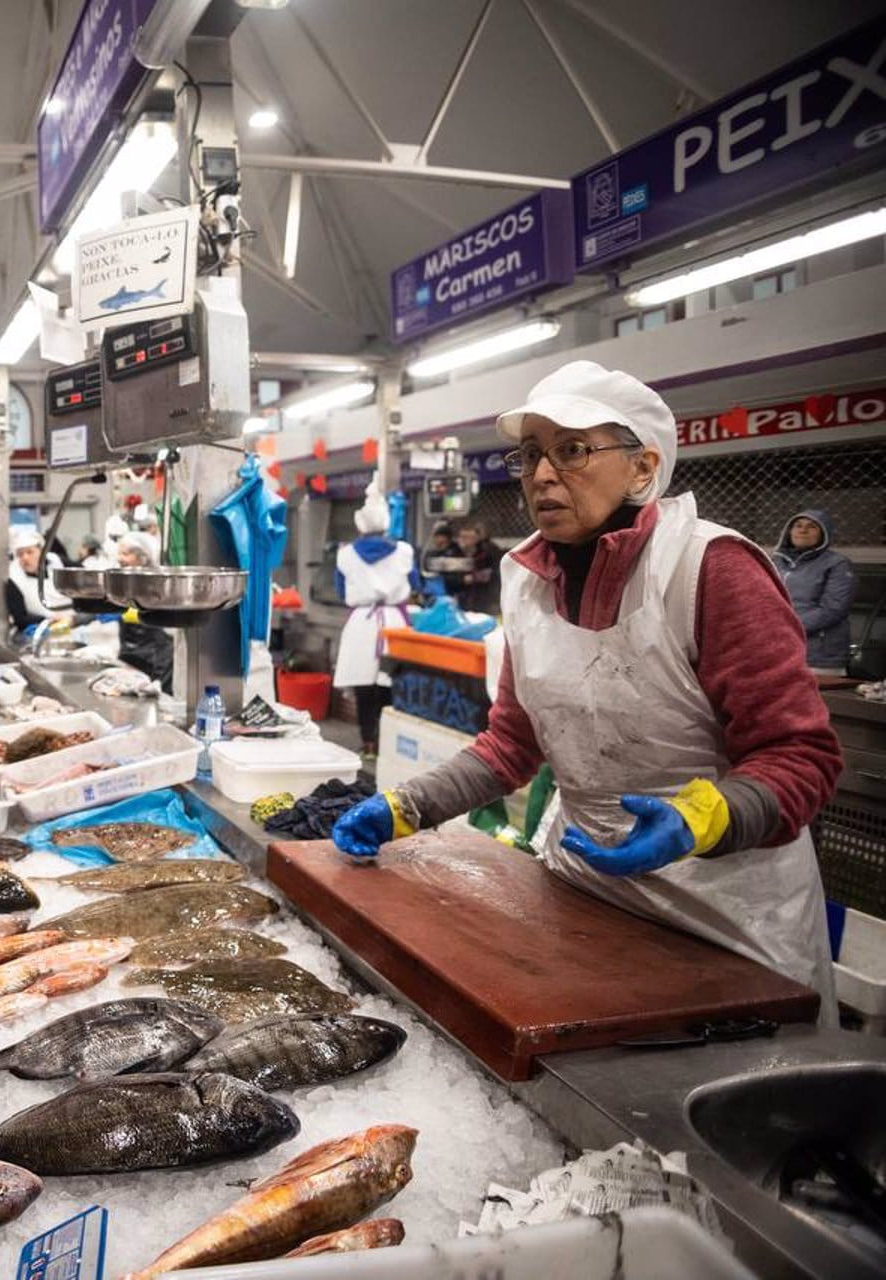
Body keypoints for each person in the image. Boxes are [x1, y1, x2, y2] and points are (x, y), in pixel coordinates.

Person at [333, 361, 843, 1013]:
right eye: (529, 456)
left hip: (726, 920)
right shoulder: (528, 583)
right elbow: (512, 745)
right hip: (580, 895)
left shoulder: (710, 570)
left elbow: (803, 758)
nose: (542, 475)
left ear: (641, 467)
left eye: (572, 451)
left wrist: (701, 818)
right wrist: (407, 805)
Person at [332, 488, 419, 757]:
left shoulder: (345, 554)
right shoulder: (404, 551)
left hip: (362, 622)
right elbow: (416, 583)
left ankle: (368, 744)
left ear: (360, 524)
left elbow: (339, 588)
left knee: (363, 687)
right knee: (390, 684)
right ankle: (388, 742)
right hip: (394, 623)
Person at [774, 509, 855, 676]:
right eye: (798, 525)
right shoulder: (777, 562)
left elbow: (833, 609)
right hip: (780, 650)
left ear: (824, 534)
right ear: (789, 531)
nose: (803, 530)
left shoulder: (837, 564)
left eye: (812, 527)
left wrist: (786, 627)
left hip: (819, 656)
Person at [113, 531, 175, 691]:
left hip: (156, 661)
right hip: (130, 658)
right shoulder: (124, 582)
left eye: (125, 554)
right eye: (119, 553)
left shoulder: (157, 582)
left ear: (143, 557)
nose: (120, 558)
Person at [5, 526, 72, 631]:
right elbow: (20, 618)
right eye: (20, 554)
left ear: (42, 552)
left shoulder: (57, 561)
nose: (25, 558)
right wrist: (48, 620)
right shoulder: (14, 579)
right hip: (47, 629)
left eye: (29, 552)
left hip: (75, 623)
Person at [449, 519, 502, 614]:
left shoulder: (487, 553)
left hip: (483, 601)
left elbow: (496, 576)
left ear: (476, 538)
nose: (464, 540)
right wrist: (462, 580)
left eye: (468, 537)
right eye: (462, 537)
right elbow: (448, 578)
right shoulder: (454, 554)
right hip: (460, 601)